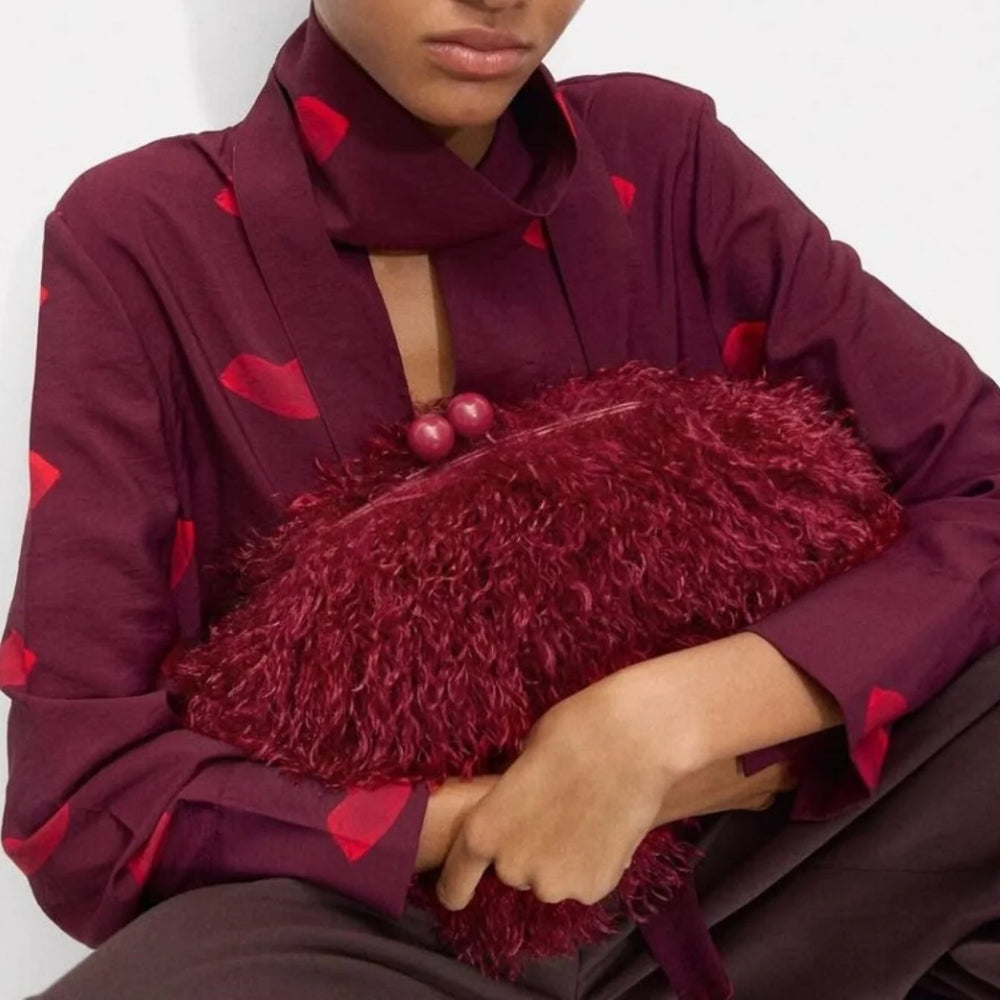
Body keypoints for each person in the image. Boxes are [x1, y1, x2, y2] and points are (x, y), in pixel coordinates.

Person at [2, 1, 999, 997]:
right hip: (397, 923)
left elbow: (983, 478)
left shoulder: (667, 158)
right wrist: (505, 815)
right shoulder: (140, 234)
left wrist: (664, 724)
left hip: (792, 852)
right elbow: (83, 796)